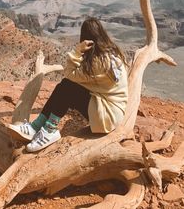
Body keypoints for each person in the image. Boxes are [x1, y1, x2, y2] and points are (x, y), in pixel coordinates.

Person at [8, 17, 128, 152]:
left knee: (67, 87)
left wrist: (77, 51)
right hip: (113, 111)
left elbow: (69, 73)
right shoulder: (112, 54)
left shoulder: (98, 62)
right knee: (66, 86)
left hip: (107, 117)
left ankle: (49, 129)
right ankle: (37, 126)